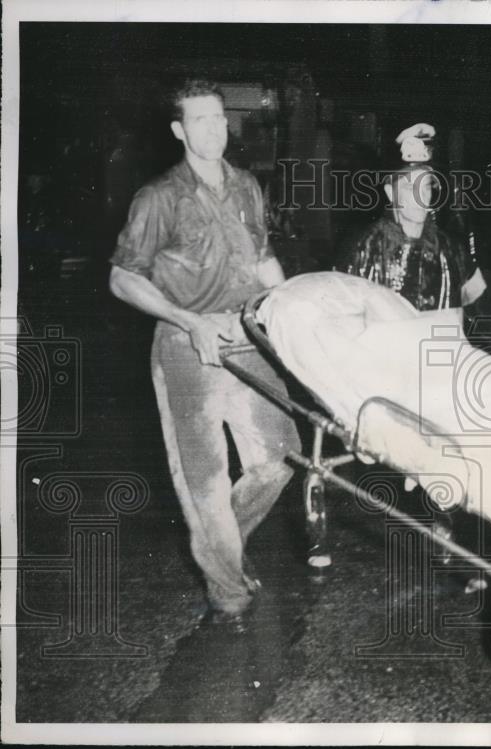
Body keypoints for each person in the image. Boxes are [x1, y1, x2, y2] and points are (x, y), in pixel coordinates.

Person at [109, 80, 301, 631]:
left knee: (280, 459)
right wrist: (187, 320)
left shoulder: (245, 187)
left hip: (247, 338)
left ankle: (223, 549)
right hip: (185, 347)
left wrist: (286, 320)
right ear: (179, 130)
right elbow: (123, 278)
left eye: (219, 119)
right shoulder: (159, 197)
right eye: (201, 121)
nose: (214, 129)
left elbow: (264, 260)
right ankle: (229, 594)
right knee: (206, 480)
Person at [345, 123, 478, 312]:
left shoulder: (450, 249)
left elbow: (481, 303)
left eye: (426, 186)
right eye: (409, 187)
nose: (421, 197)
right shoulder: (367, 247)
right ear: (391, 193)